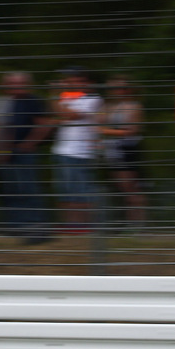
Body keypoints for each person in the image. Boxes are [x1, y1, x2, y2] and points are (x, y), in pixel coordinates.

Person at [0, 72, 53, 243]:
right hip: (5, 153)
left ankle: (36, 229)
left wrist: (29, 144)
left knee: (28, 189)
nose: (15, 86)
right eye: (11, 83)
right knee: (10, 190)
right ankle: (15, 226)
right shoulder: (2, 102)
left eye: (20, 83)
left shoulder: (33, 100)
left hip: (24, 154)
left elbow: (45, 124)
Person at [51, 67, 102, 232]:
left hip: (79, 152)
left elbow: (72, 115)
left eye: (73, 79)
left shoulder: (93, 99)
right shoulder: (67, 97)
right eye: (68, 79)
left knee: (79, 192)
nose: (69, 82)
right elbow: (58, 115)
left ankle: (83, 226)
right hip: (62, 149)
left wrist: (54, 96)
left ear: (84, 81)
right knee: (64, 191)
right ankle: (70, 225)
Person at [100, 74, 146, 230]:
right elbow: (97, 125)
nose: (116, 91)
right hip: (113, 150)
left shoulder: (134, 106)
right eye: (113, 88)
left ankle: (138, 225)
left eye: (120, 87)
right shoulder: (107, 106)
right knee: (122, 187)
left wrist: (106, 130)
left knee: (131, 187)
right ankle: (131, 224)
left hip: (128, 149)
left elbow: (132, 130)